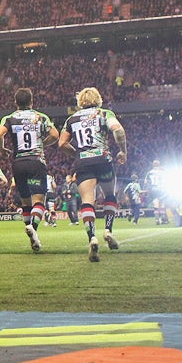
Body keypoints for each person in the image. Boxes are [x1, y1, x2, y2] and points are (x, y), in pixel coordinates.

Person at [58, 86, 127, 262]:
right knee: (110, 195)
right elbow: (118, 130)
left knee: (88, 200)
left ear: (80, 101)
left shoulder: (72, 119)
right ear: (98, 99)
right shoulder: (104, 114)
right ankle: (108, 231)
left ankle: (92, 238)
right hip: (103, 159)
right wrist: (122, 151)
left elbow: (62, 143)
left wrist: (77, 154)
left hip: (83, 162)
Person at [0, 87, 58, 253]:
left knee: (25, 203)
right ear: (32, 101)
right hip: (36, 162)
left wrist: (1, 150)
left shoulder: (10, 118)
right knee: (39, 202)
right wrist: (43, 143)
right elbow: (55, 135)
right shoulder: (40, 117)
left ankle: (30, 230)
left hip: (18, 163)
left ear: (15, 103)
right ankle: (33, 227)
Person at [144, 159, 167, 225]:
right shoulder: (162, 172)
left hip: (153, 189)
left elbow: (146, 182)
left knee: (155, 204)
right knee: (162, 203)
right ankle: (162, 219)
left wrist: (149, 188)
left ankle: (157, 219)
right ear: (159, 165)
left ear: (153, 165)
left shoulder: (149, 172)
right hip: (161, 189)